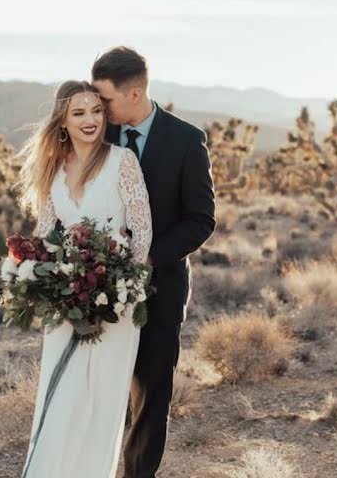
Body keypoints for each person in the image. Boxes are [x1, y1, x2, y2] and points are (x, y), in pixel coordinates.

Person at [16, 80, 152, 477]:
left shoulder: (122, 161)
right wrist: (49, 285)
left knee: (101, 401)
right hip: (64, 306)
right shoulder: (53, 169)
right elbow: (44, 238)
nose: (90, 119)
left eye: (96, 110)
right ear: (63, 120)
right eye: (79, 113)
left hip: (114, 306)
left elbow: (141, 232)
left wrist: (116, 289)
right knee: (61, 397)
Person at [92, 46, 216, 478]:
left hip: (160, 289)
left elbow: (201, 220)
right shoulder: (97, 137)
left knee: (150, 396)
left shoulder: (185, 140)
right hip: (96, 287)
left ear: (135, 92)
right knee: (102, 389)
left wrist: (146, 257)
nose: (97, 107)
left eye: (104, 99)